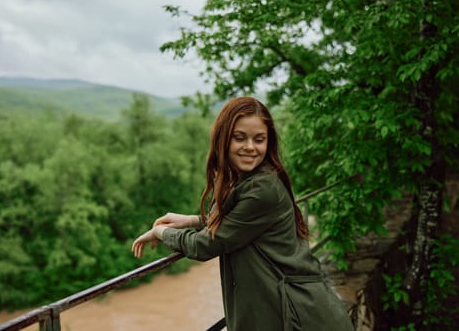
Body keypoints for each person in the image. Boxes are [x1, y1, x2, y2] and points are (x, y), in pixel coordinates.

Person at [132, 97, 354, 331]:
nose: (250, 146)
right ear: (223, 139)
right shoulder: (249, 180)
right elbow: (243, 226)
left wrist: (162, 232)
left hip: (301, 317)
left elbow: (207, 245)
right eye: (240, 138)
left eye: (259, 139)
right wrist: (195, 220)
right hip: (296, 310)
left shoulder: (263, 188)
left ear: (268, 143)